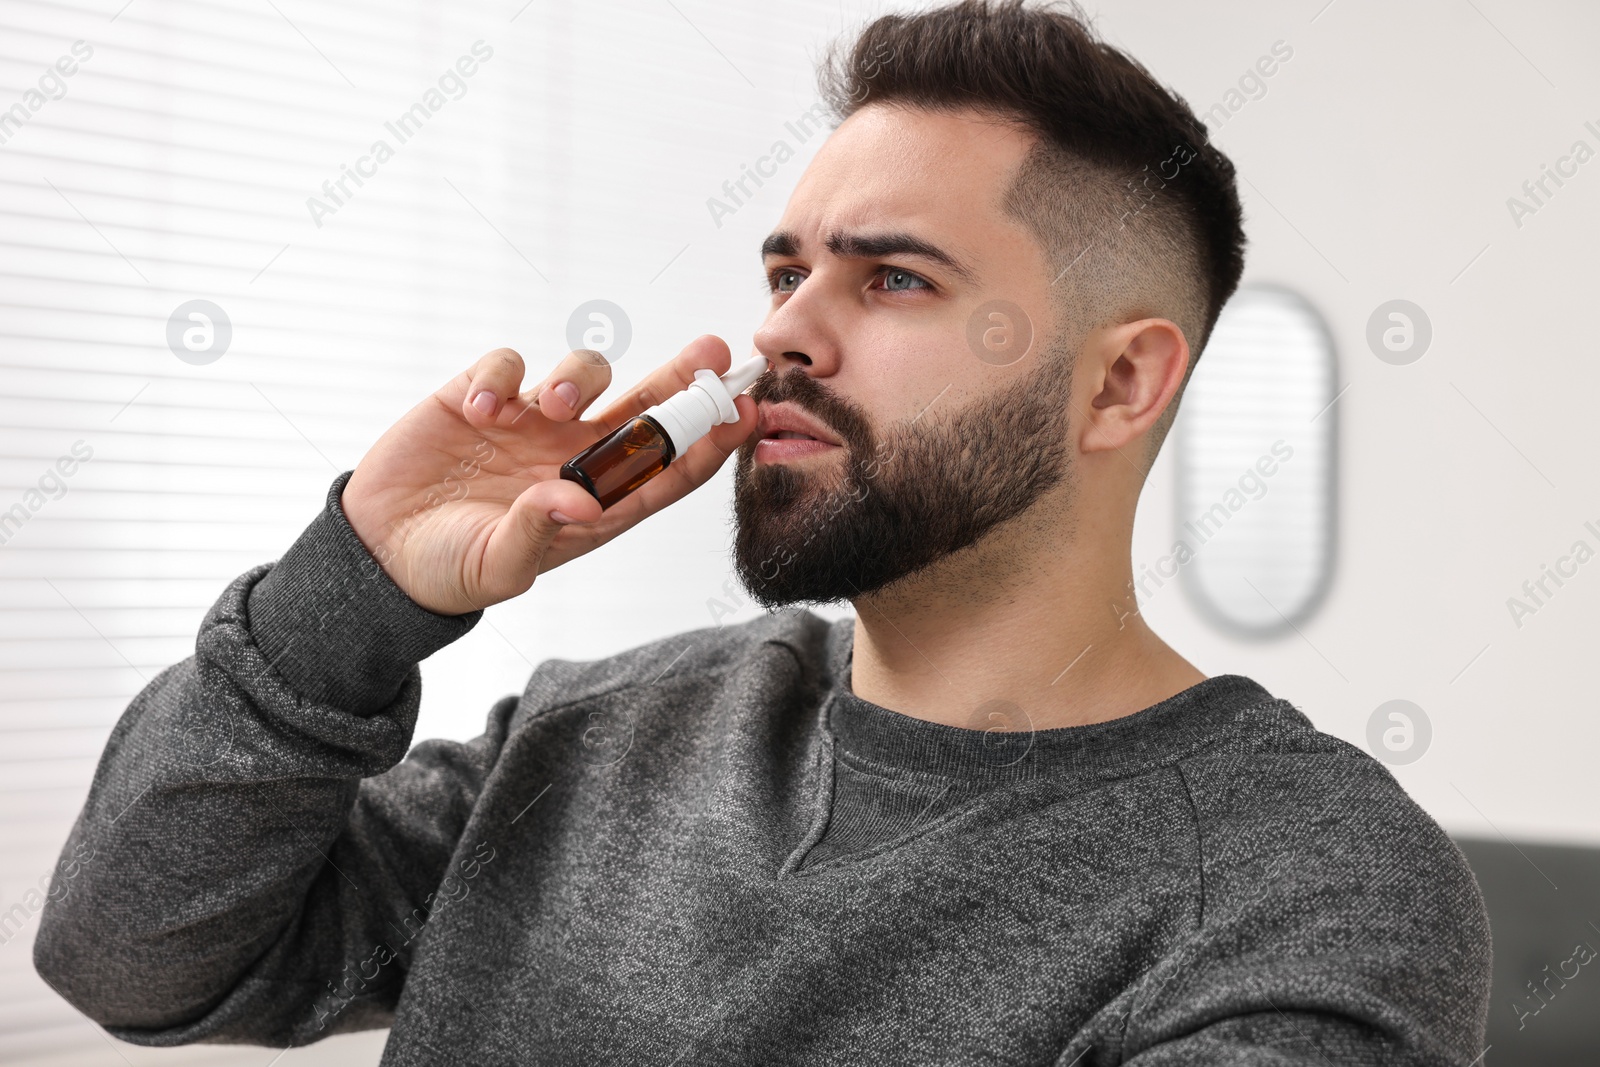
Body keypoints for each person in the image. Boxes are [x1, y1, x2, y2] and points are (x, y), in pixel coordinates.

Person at [35, 1, 1490, 1063]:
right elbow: (137, 963)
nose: (779, 334)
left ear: (1120, 381)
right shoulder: (599, 735)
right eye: (786, 271)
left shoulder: (1302, 890)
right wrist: (355, 590)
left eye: (895, 281)